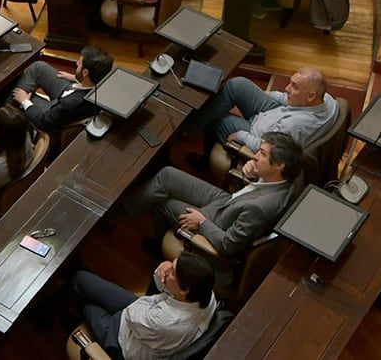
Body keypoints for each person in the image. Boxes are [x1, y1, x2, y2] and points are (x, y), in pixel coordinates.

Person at [124, 133, 303, 282]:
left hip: (217, 222)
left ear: (280, 165)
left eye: (262, 154)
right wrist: (255, 174)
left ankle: (152, 240)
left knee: (163, 203)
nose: (255, 155)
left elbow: (229, 245)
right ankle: (124, 208)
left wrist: (201, 223)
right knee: (167, 175)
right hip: (229, 202)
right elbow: (255, 192)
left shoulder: (261, 208)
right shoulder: (281, 180)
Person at [70, 253, 219, 359]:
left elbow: (131, 312)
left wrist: (160, 279)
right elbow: (149, 302)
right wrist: (164, 274)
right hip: (143, 318)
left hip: (122, 340)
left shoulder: (166, 321)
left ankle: (76, 308)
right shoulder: (206, 294)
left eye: (172, 271)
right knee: (80, 278)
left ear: (184, 290)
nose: (167, 269)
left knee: (87, 305)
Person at [191, 67, 337, 152]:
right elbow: (288, 99)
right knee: (238, 85)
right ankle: (194, 122)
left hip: (257, 134)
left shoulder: (295, 127)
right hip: (275, 114)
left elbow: (269, 150)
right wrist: (265, 94)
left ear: (311, 96)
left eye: (294, 87)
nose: (287, 88)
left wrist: (242, 136)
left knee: (219, 120)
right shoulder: (328, 101)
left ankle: (189, 129)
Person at [8, 46, 112, 131]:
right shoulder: (104, 82)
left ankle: (9, 109)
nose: (76, 64)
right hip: (75, 90)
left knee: (14, 94)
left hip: (53, 110)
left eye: (79, 63)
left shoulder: (69, 104)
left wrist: (25, 101)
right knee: (38, 67)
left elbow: (44, 122)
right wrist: (75, 78)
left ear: (85, 73)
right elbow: (86, 83)